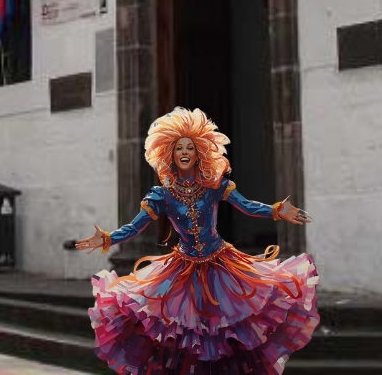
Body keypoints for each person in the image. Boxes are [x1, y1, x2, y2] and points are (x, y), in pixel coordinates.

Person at [76, 108, 319, 375]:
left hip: (222, 268)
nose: (184, 152)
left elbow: (246, 206)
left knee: (225, 336)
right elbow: (136, 227)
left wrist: (275, 210)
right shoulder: (162, 195)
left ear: (198, 153)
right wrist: (109, 238)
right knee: (185, 342)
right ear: (170, 153)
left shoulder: (214, 185)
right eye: (178, 148)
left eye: (189, 148)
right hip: (182, 273)